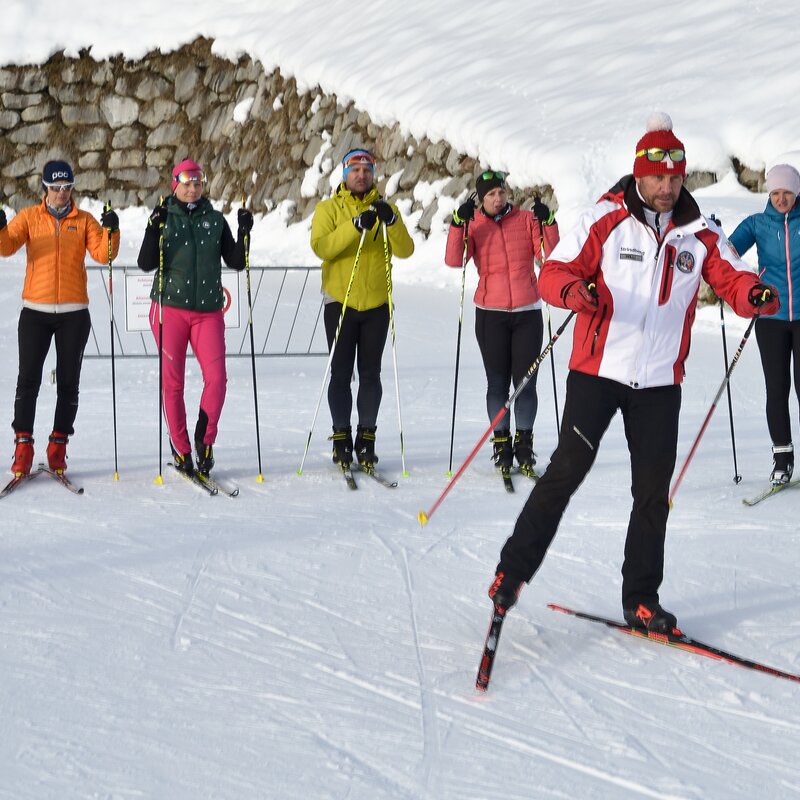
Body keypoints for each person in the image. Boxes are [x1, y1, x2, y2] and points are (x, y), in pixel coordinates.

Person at [487, 113, 779, 633]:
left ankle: (641, 597)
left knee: (652, 493)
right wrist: (575, 292)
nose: (667, 188)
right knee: (566, 472)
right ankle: (511, 573)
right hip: (599, 373)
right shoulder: (605, 217)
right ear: (639, 175)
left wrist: (751, 293)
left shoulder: (700, 232)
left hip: (661, 382)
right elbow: (555, 271)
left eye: (675, 177)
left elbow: (732, 276)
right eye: (657, 178)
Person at [0, 159, 120, 476]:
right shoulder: (29, 217)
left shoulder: (83, 220)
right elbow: (6, 247)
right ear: (45, 188)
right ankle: (23, 447)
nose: (61, 194)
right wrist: (0, 227)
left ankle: (58, 446)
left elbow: (104, 253)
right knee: (28, 380)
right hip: (35, 313)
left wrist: (112, 229)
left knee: (68, 383)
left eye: (66, 188)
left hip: (74, 314)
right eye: (55, 188)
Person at [137, 159, 252, 477]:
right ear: (175, 185)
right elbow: (145, 263)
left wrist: (244, 231)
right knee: (172, 384)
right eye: (186, 183)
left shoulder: (215, 220)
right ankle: (181, 448)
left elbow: (236, 261)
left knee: (217, 379)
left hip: (208, 312)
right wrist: (152, 226)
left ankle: (204, 439)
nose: (192, 188)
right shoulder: (165, 218)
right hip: (169, 308)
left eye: (198, 182)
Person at [444, 171, 560, 476]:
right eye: (491, 195)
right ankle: (501, 442)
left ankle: (523, 442)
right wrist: (458, 224)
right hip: (490, 314)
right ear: (482, 199)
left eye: (501, 192)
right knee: (497, 384)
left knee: (526, 383)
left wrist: (548, 223)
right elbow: (455, 260)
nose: (498, 199)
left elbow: (550, 256)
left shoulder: (525, 220)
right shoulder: (475, 223)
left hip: (527, 313)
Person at [310, 148, 414, 469]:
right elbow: (322, 247)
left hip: (376, 305)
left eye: (367, 169)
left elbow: (406, 250)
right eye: (354, 169)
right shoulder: (328, 209)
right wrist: (355, 226)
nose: (361, 175)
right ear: (344, 174)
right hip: (340, 302)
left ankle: (366, 438)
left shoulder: (386, 208)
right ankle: (341, 437)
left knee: (371, 374)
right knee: (341, 374)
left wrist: (392, 221)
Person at [729, 164, 800, 485]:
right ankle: (782, 458)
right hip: (770, 318)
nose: (781, 198)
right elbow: (727, 254)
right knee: (777, 389)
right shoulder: (757, 224)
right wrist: (712, 236)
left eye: (787, 192)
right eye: (775, 193)